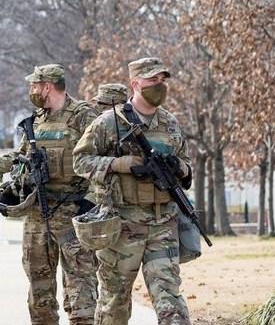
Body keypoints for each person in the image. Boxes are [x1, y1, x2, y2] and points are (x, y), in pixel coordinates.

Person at [0, 64, 99, 325]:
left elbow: (100, 159)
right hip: (39, 213)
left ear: (47, 86)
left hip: (74, 213)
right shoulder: (37, 120)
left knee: (80, 290)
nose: (31, 90)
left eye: (35, 86)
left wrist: (93, 201)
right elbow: (21, 157)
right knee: (39, 292)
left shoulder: (83, 116)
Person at [73, 57, 194, 325]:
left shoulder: (170, 123)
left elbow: (187, 168)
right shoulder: (109, 123)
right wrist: (119, 163)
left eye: (162, 80)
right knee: (114, 304)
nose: (159, 85)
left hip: (162, 224)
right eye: (153, 80)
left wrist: (180, 167)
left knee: (171, 302)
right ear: (135, 83)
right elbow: (80, 161)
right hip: (122, 225)